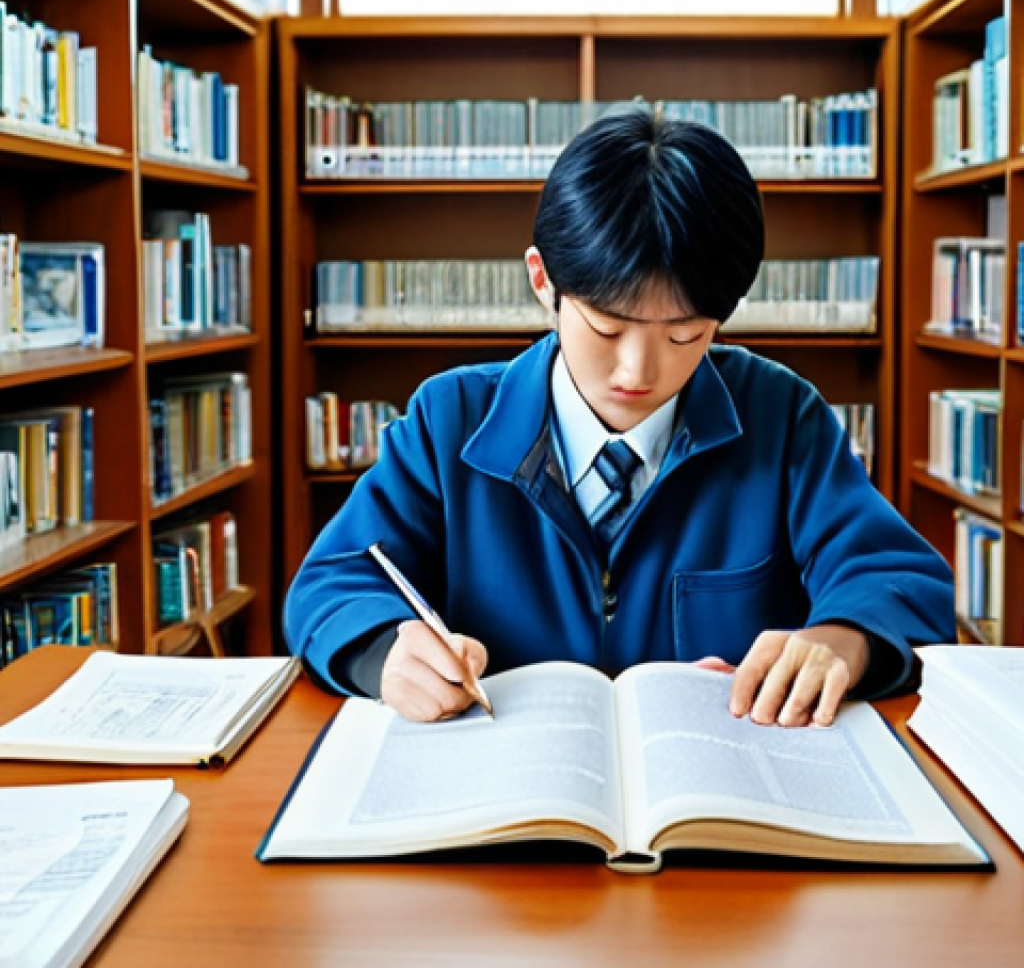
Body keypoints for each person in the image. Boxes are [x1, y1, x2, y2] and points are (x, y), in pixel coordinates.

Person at [285, 105, 954, 728]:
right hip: (509, 787)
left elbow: (902, 581)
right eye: (606, 328)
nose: (639, 371)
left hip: (716, 784)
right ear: (543, 280)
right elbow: (329, 585)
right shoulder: (450, 420)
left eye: (686, 335)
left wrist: (842, 640)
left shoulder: (780, 417)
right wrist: (384, 650)